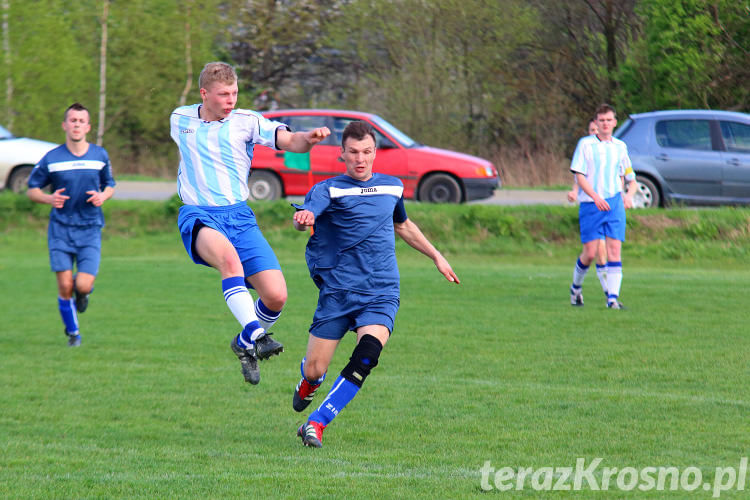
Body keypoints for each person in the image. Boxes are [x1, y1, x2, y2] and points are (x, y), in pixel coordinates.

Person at [291, 120, 460, 448]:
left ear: (375, 153)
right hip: (338, 292)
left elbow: (404, 225)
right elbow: (308, 214)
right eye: (353, 152)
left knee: (367, 354)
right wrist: (304, 219)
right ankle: (309, 383)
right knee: (315, 369)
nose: (360, 158)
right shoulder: (329, 189)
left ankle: (316, 422)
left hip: (381, 291)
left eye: (367, 151)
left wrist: (437, 257)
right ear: (342, 154)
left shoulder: (392, 186)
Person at [169, 62, 330, 385]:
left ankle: (243, 344)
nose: (231, 99)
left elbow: (290, 141)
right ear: (204, 94)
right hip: (199, 214)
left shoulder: (247, 122)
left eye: (235, 93)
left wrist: (307, 139)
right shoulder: (180, 118)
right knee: (230, 262)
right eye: (224, 94)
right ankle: (257, 335)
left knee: (276, 296)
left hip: (239, 217)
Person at [27, 102, 116, 347]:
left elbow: (110, 185)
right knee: (65, 285)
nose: (76, 125)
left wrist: (103, 196)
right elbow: (31, 189)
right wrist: (48, 198)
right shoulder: (52, 158)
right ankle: (73, 334)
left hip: (90, 228)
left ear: (88, 126)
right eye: (72, 120)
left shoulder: (100, 155)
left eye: (81, 121)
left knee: (83, 284)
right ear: (65, 125)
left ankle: (83, 293)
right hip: (61, 230)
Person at [569, 104, 636, 309]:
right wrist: (594, 196)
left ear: (615, 122)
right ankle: (576, 289)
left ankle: (612, 299)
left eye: (609, 120)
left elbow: (630, 177)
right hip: (591, 204)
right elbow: (579, 175)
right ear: (596, 123)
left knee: (614, 250)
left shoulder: (620, 147)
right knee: (590, 253)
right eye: (602, 120)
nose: (605, 124)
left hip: (614, 203)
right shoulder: (586, 145)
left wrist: (628, 196)